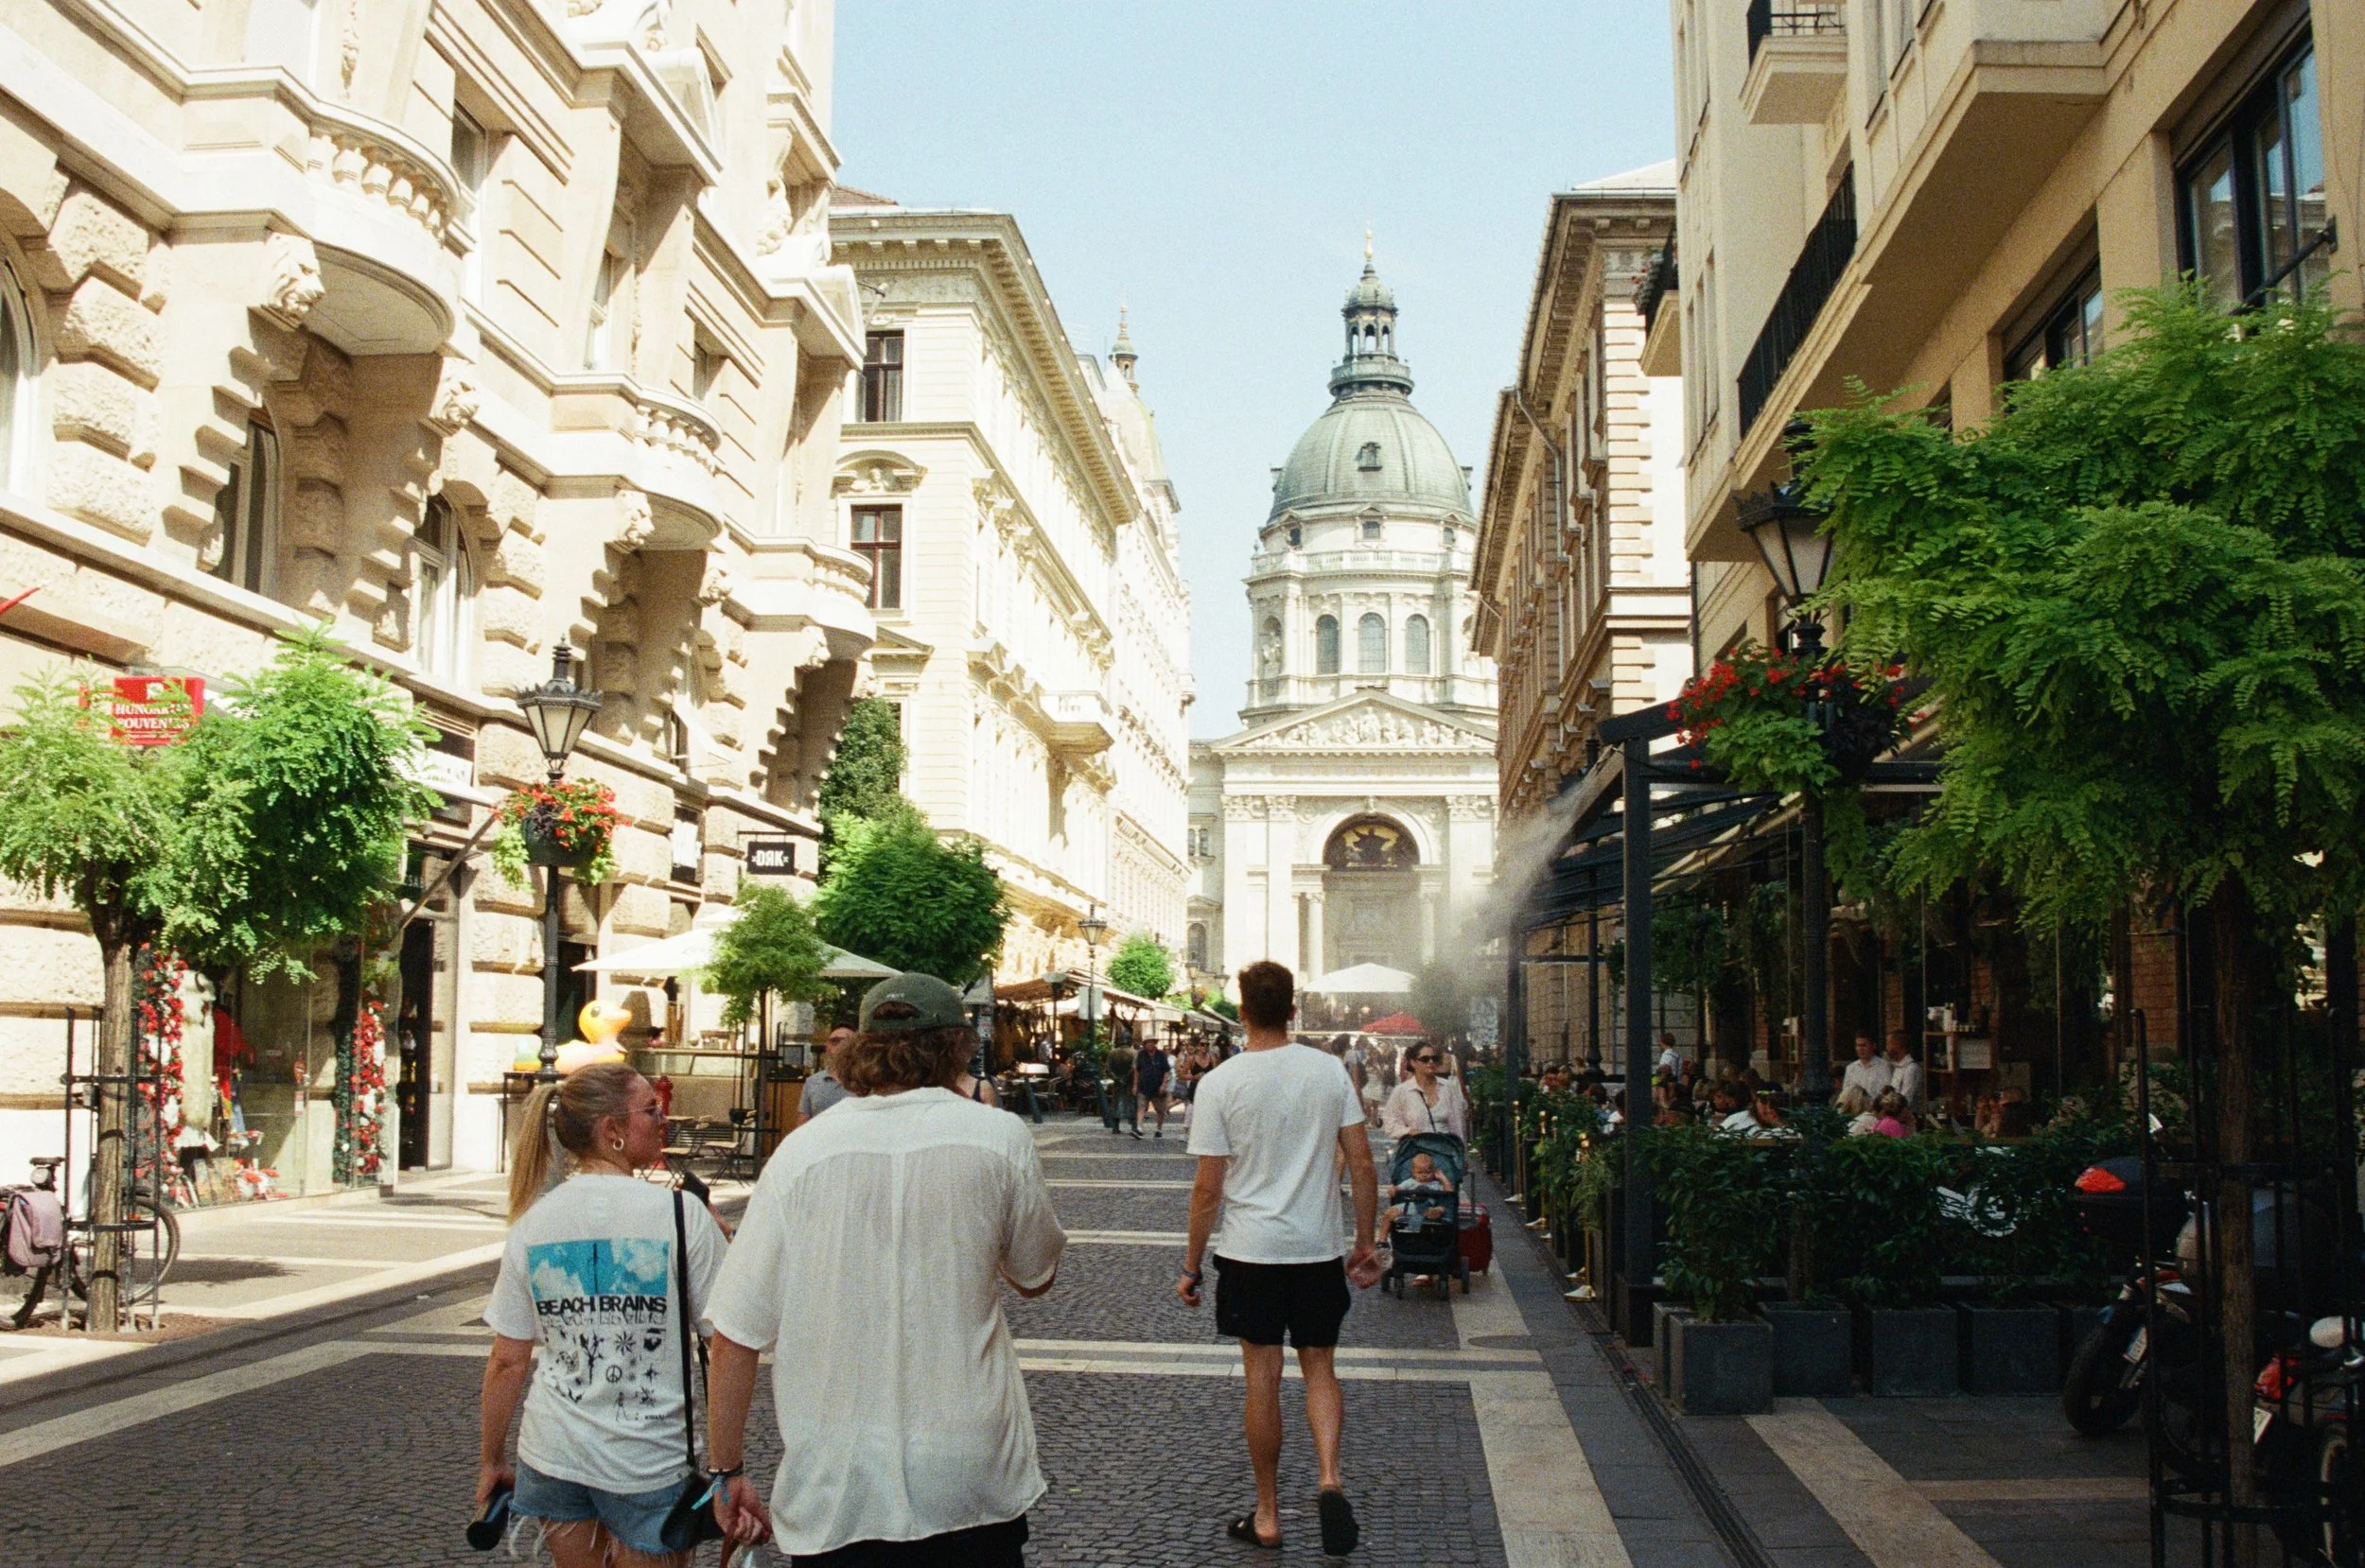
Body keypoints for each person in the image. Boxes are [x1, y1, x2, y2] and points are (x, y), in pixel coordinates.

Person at [704, 973, 1064, 1564]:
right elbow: (1035, 1274)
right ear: (956, 1046)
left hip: (836, 1473)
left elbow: (736, 1331)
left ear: (862, 1049)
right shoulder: (999, 1137)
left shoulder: (801, 1152)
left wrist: (727, 1469)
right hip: (966, 1465)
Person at [478, 1063, 728, 1568]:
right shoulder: (681, 1216)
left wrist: (491, 1460)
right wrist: (730, 1466)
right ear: (612, 1131)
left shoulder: (533, 1223)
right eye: (650, 1110)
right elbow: (726, 1344)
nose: (663, 1119)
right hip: (646, 1459)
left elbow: (508, 1359)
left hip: (553, 1454)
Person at [1178, 961, 1379, 1557]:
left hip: (1249, 1253)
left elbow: (1208, 1188)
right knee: (1321, 1367)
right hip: (1317, 1249)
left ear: (1242, 1012)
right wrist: (1364, 1242)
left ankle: (1267, 1514)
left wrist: (1192, 1266)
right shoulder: (1329, 1072)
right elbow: (1364, 1164)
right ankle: (1329, 1478)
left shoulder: (1220, 1082)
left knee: (1262, 1379)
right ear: (1293, 1010)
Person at [1381, 1042, 1469, 1143]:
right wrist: (1408, 1131)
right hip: (1415, 1150)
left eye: (1434, 1058)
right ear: (1413, 1062)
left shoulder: (1449, 1088)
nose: (1430, 1062)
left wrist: (1461, 1155)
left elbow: (1458, 1126)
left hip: (1444, 1151)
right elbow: (1389, 1123)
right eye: (1425, 1059)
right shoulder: (1402, 1091)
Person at [796, 1025, 856, 1128]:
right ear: (827, 1047)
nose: (840, 1045)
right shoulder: (812, 1082)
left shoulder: (867, 1081)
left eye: (846, 1041)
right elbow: (803, 1122)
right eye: (835, 1041)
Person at [1841, 1033, 1891, 1105]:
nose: (1861, 1049)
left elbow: (1887, 1092)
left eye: (1864, 1045)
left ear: (1873, 1046)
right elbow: (1845, 1093)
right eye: (1858, 1045)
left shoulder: (1884, 1066)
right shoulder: (1851, 1068)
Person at [1136, 1038, 1171, 1139]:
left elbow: (1166, 1071)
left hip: (1158, 1088)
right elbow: (1137, 1070)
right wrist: (1135, 1085)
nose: (1150, 1044)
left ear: (1155, 1044)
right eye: (1147, 1042)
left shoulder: (1161, 1055)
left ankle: (1158, 1129)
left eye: (1152, 1042)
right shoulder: (1141, 1055)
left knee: (1160, 1110)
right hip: (1143, 1086)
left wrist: (1163, 1085)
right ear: (1145, 1044)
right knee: (1141, 1107)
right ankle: (1139, 1129)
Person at [1104, 1031, 1137, 1137]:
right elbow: (1134, 1068)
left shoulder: (1112, 1053)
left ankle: (1115, 1127)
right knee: (1131, 1103)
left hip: (1117, 1083)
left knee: (1116, 1103)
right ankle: (1134, 1126)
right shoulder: (1134, 1053)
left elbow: (1108, 1069)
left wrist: (1117, 1079)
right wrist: (1126, 1078)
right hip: (1130, 1082)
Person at [1883, 1030, 1924, 1113]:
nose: (1887, 1048)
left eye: (1889, 1044)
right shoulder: (1898, 1068)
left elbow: (1905, 1100)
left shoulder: (1911, 1069)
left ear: (1898, 1045)